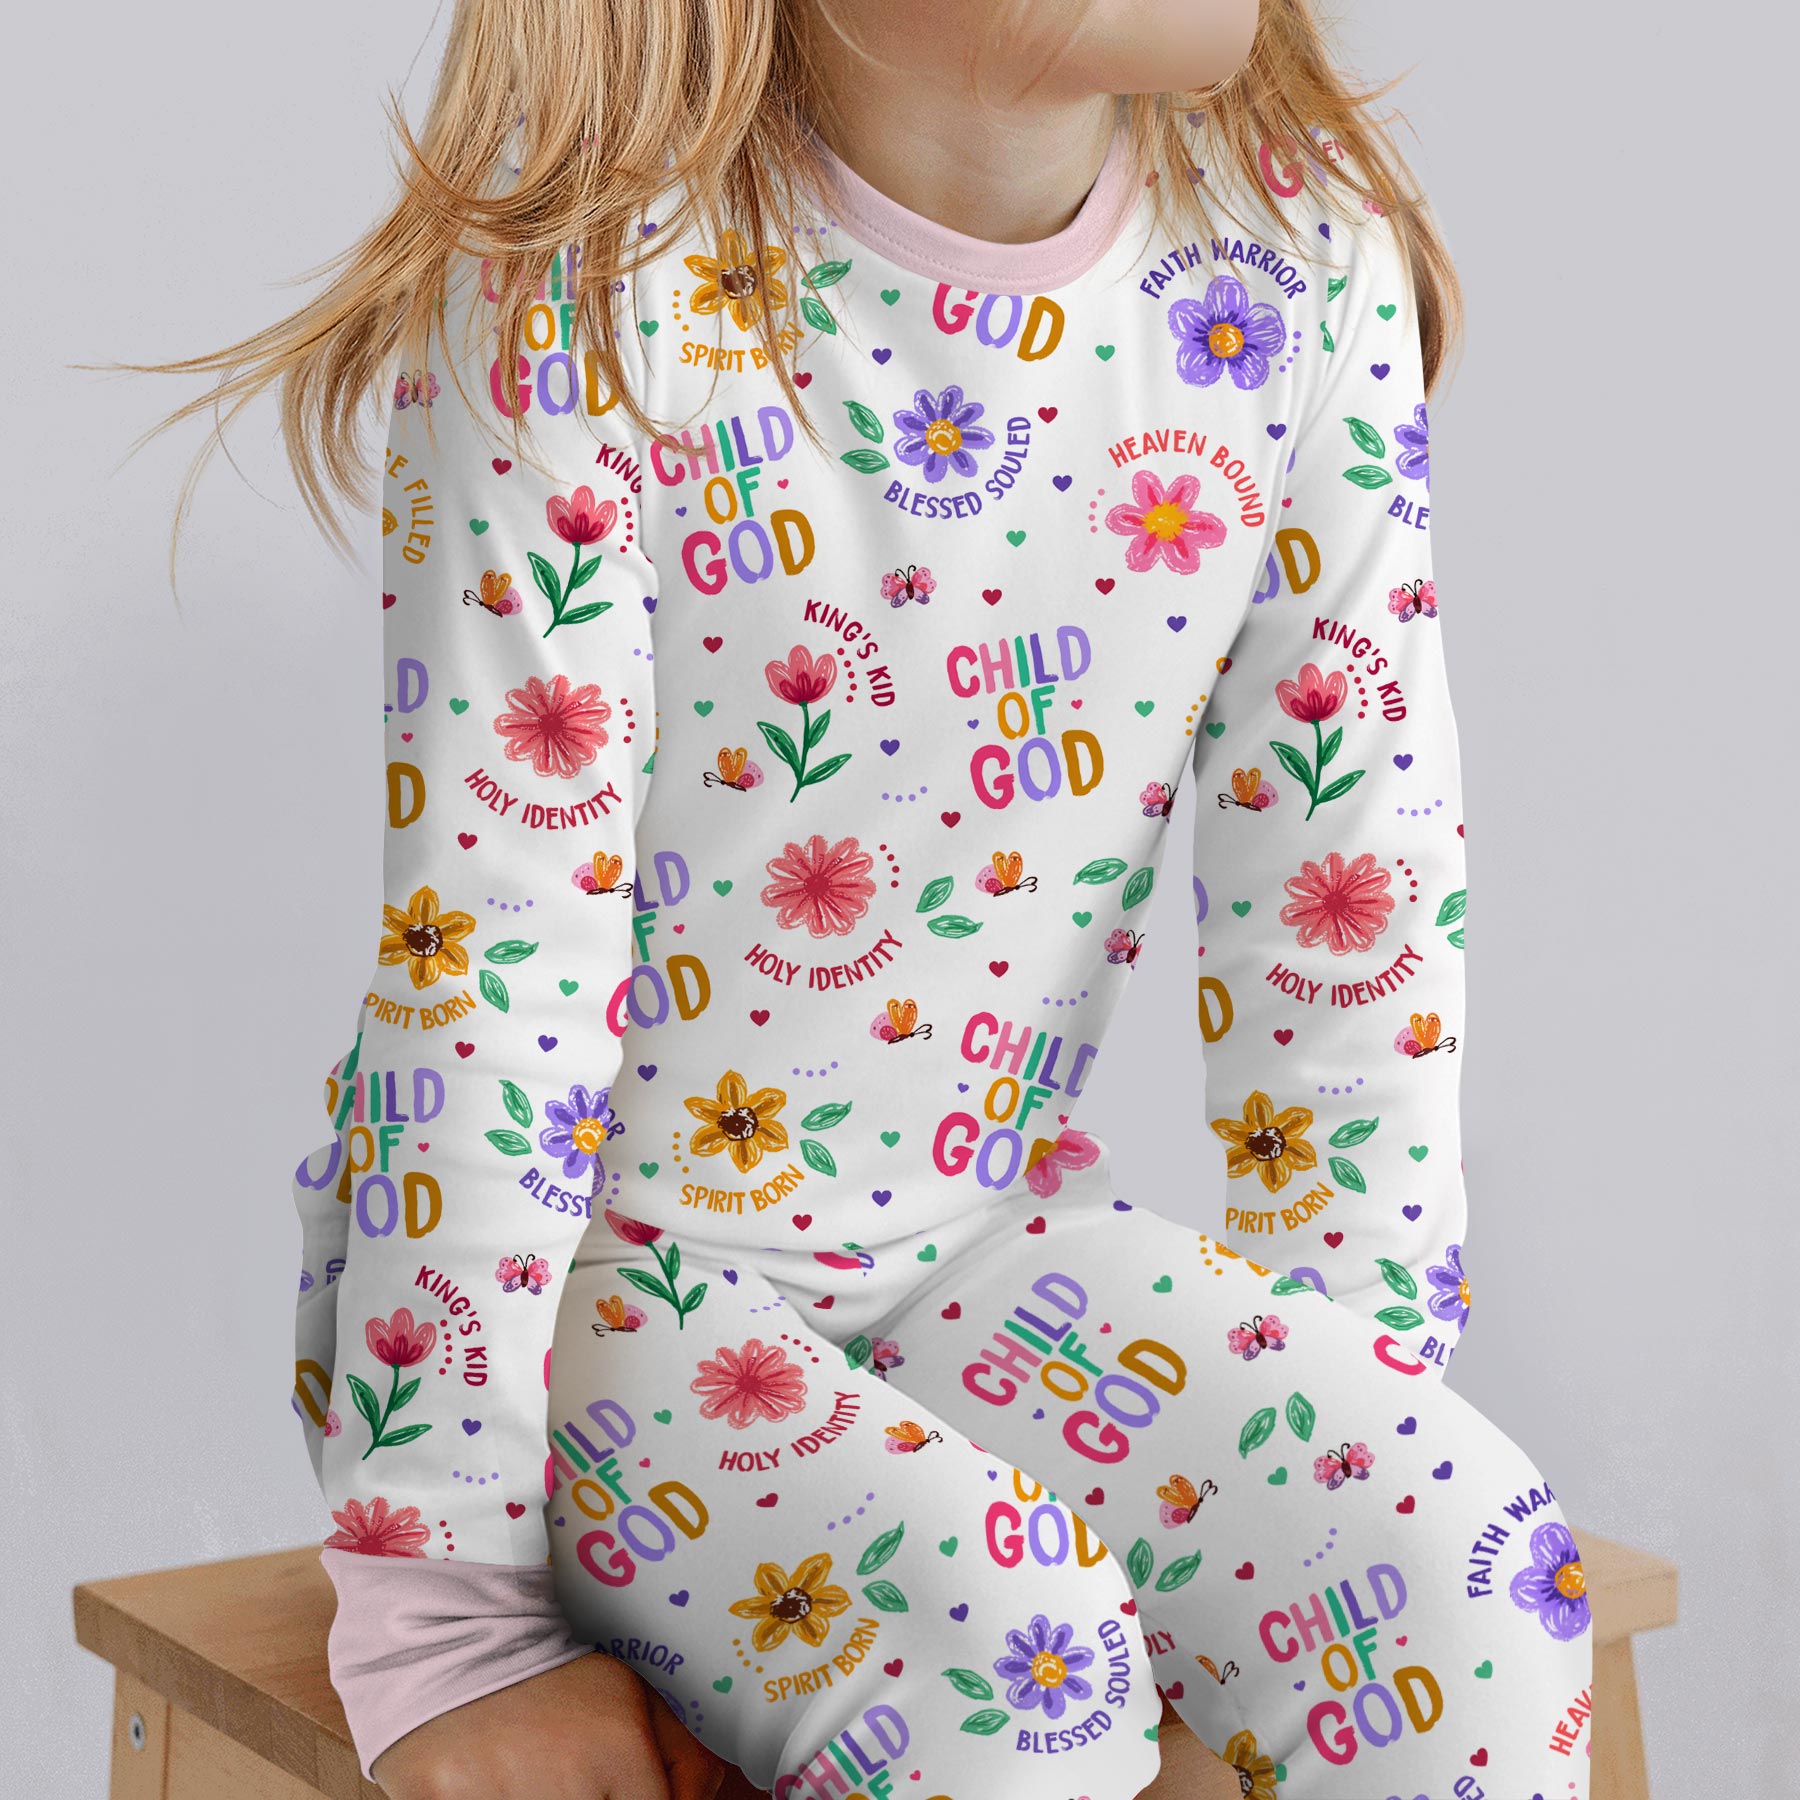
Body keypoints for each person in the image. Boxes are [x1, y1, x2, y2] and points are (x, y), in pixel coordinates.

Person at [134, 2, 1593, 1795]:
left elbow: (1347, 899)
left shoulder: (1289, 262)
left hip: (976, 1243)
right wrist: (453, 1619)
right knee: (1017, 1677)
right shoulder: (590, 300)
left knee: (1465, 1581)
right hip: (594, 1296)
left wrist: (1341, 1451)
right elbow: (493, 966)